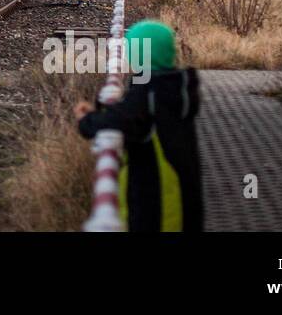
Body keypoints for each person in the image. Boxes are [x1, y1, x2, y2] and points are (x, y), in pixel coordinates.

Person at [74, 20, 203, 231]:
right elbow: (128, 113)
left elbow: (118, 118)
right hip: (184, 194)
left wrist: (85, 120)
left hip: (160, 202)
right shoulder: (176, 87)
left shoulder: (149, 95)